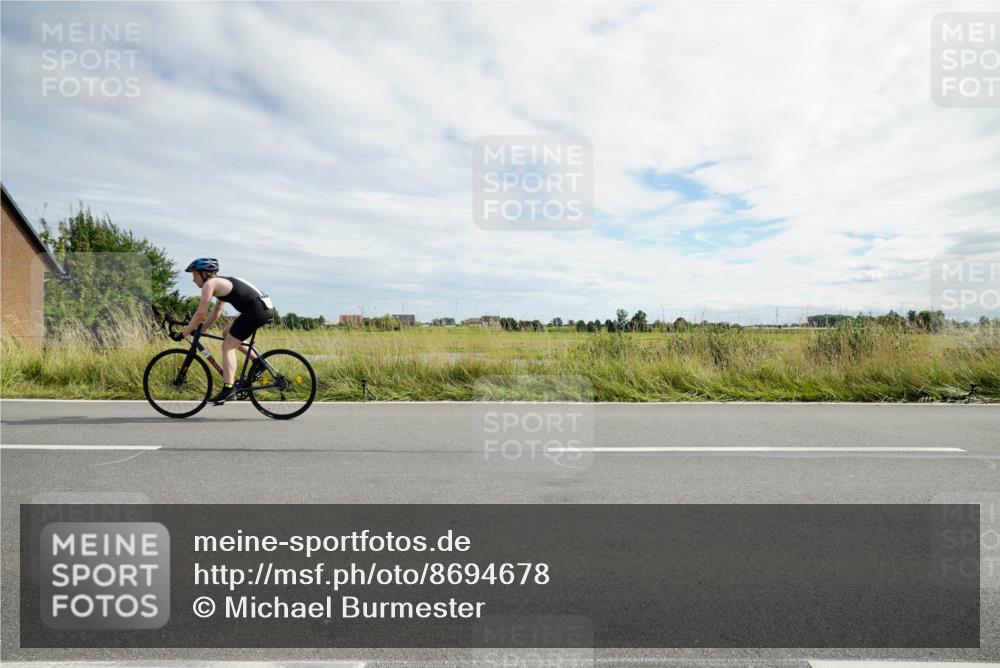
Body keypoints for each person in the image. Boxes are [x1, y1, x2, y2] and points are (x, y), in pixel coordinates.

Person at [177, 258, 275, 404]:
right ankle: (258, 362)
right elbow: (215, 313)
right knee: (226, 333)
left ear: (205, 274)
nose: (193, 279)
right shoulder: (219, 283)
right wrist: (199, 331)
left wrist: (184, 332)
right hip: (262, 308)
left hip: (256, 310)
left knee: (228, 346)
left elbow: (200, 313)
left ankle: (228, 389)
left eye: (194, 275)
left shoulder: (209, 285)